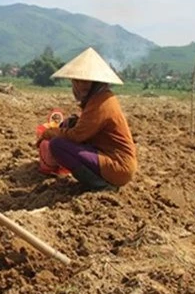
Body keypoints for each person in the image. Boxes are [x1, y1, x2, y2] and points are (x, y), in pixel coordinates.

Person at [37, 47, 137, 191]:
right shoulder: (99, 98)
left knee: (58, 145)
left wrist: (51, 132)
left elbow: (78, 135)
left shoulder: (101, 102)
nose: (79, 86)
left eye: (85, 82)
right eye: (77, 81)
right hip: (109, 157)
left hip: (118, 166)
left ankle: (101, 185)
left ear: (96, 83)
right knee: (69, 124)